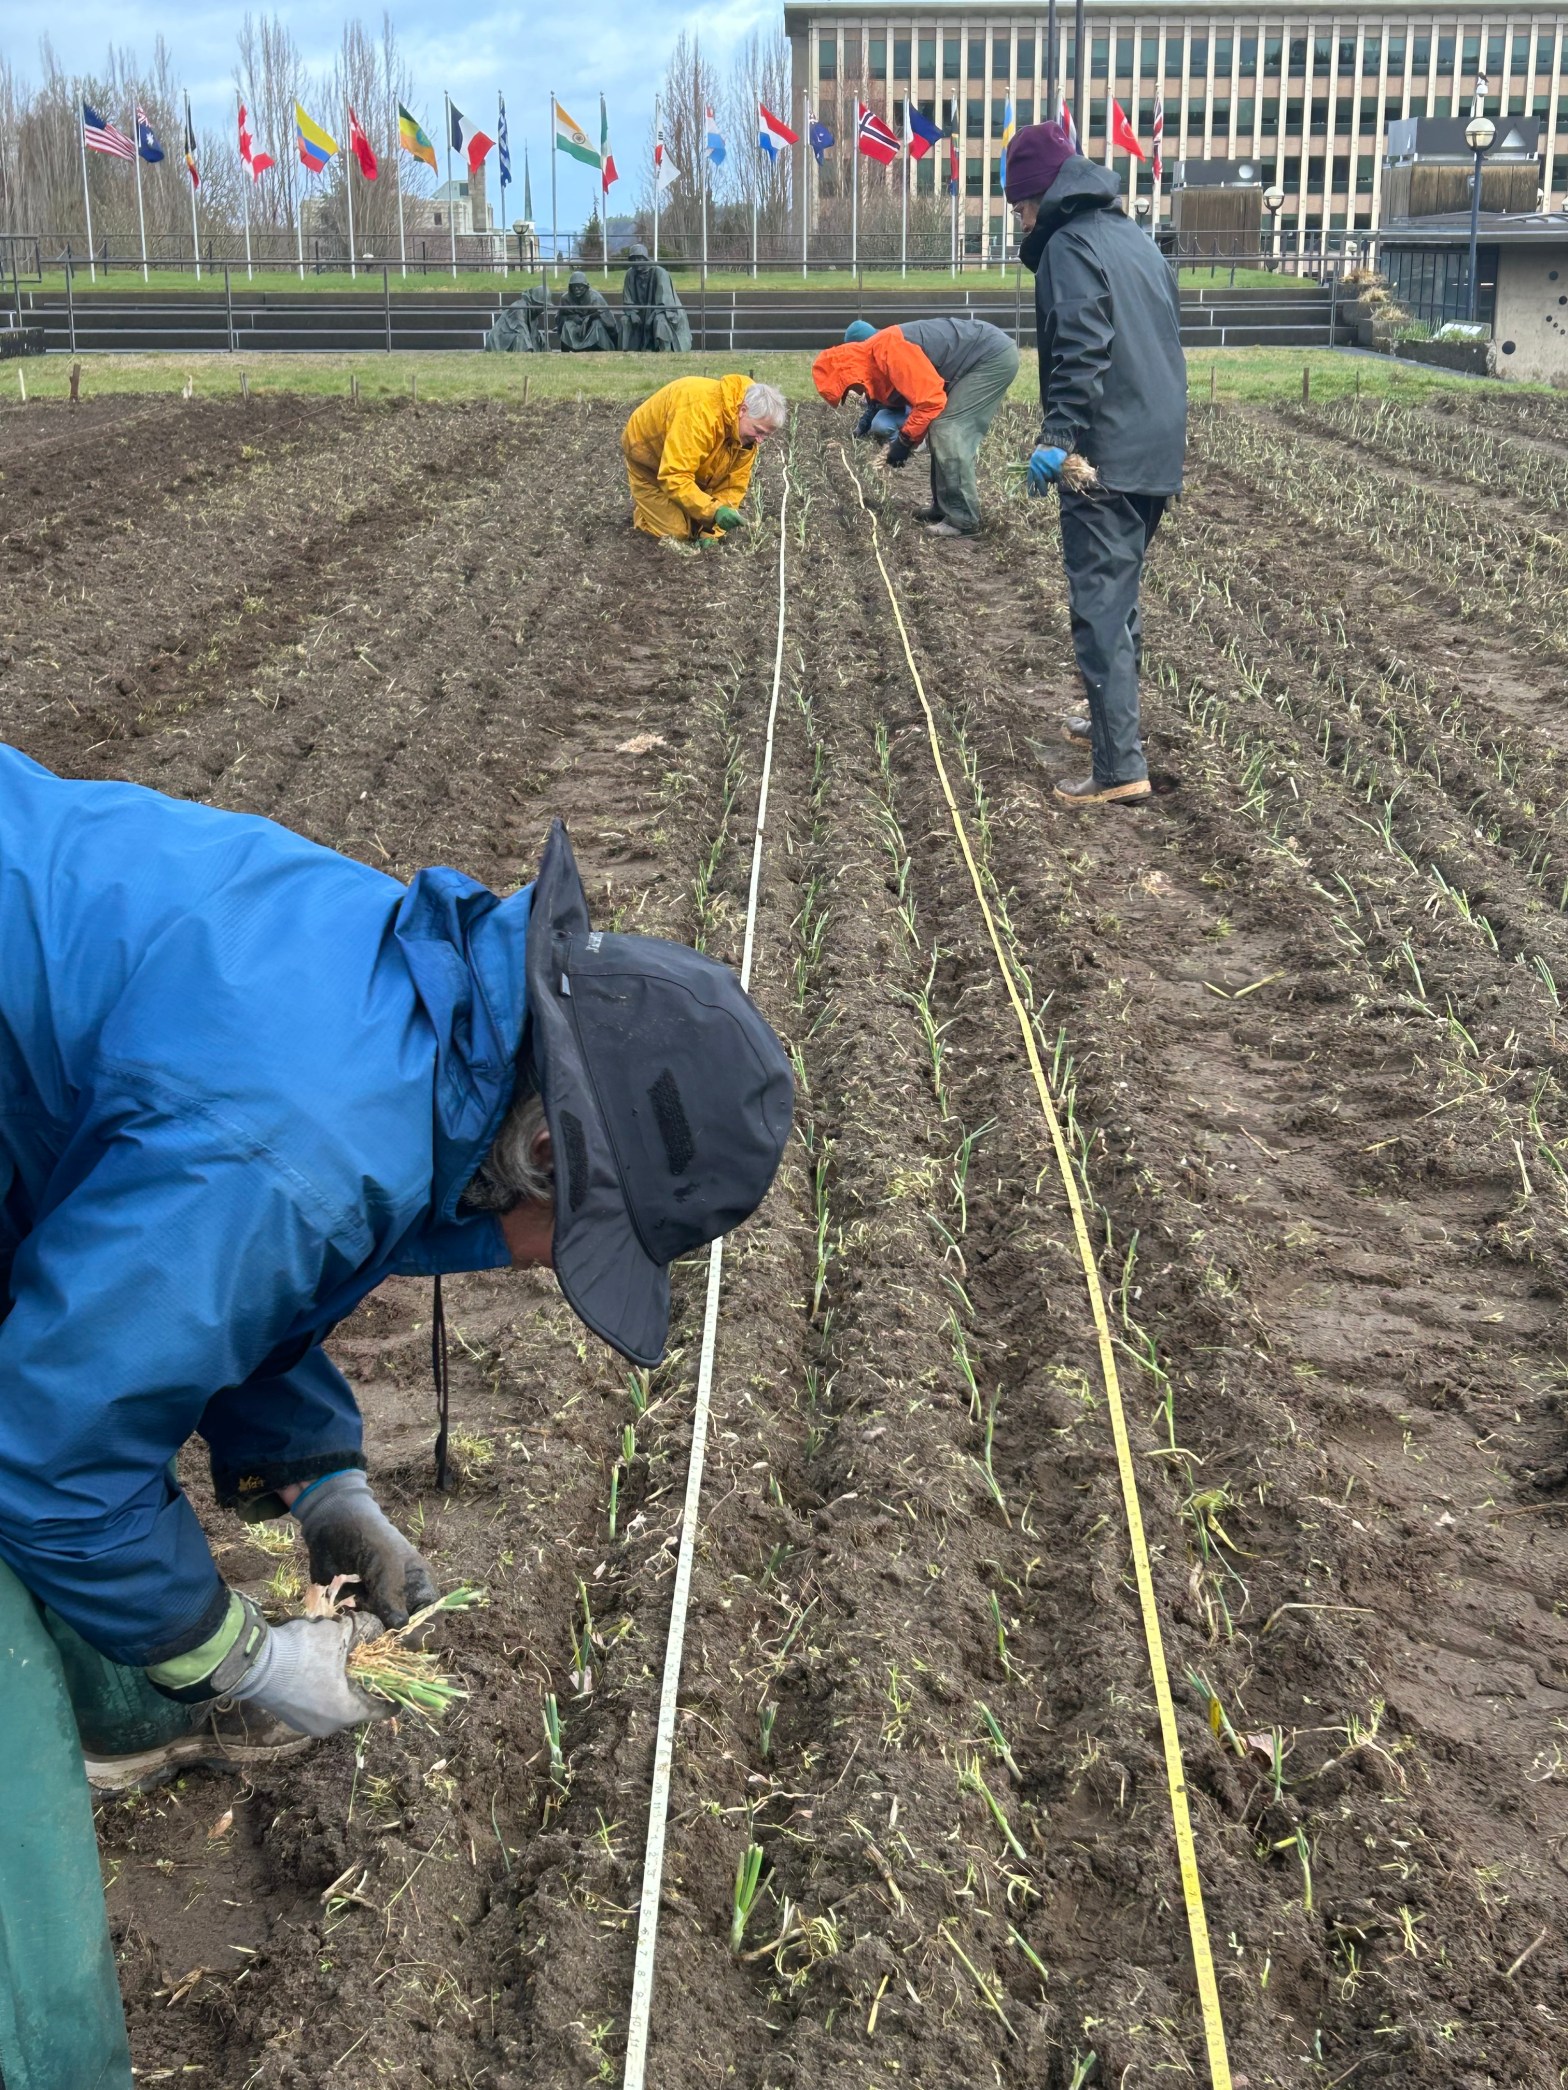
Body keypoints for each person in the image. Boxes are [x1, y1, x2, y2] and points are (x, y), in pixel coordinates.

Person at [0, 746, 792, 2088]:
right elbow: (51, 1449)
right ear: (546, 1147)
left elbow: (224, 1257)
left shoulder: (417, 1023)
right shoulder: (302, 1142)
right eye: (584, 1232)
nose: (553, 1259)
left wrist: (320, 1480)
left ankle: (128, 1704)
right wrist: (243, 1655)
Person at [1005, 121, 1187, 807]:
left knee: (1100, 610)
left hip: (1103, 454)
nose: (1019, 218)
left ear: (1042, 197)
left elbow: (1082, 344)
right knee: (1121, 598)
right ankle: (1107, 725)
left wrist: (1058, 436)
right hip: (1155, 447)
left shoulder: (1069, 246)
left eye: (1020, 204)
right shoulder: (1134, 240)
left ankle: (1118, 767)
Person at [811, 315, 1020, 537]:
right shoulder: (873, 360)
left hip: (988, 357)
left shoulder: (889, 351)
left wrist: (905, 440)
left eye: (848, 389)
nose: (856, 394)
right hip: (976, 358)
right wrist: (906, 441)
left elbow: (930, 402)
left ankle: (963, 518)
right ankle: (943, 507)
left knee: (948, 429)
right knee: (938, 428)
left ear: (848, 374)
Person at [620, 375, 787, 542]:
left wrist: (712, 533)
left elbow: (732, 485)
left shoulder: (747, 437)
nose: (760, 440)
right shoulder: (701, 416)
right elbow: (674, 475)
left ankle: (675, 509)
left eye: (766, 435)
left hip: (686, 462)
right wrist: (714, 511)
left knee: (697, 526)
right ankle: (646, 514)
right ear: (743, 410)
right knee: (677, 533)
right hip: (648, 459)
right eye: (758, 431)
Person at [620, 242, 692, 351]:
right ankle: (625, 352)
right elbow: (627, 300)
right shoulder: (630, 274)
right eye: (633, 259)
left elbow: (665, 303)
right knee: (625, 320)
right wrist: (631, 313)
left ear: (646, 258)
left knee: (660, 321)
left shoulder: (659, 273)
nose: (636, 262)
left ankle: (664, 350)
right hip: (641, 312)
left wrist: (652, 316)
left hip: (664, 312)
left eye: (639, 258)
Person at [556, 270, 620, 353]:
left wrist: (590, 318)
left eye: (580, 286)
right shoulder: (565, 298)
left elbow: (609, 320)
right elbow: (559, 318)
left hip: (592, 326)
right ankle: (568, 351)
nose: (577, 289)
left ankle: (599, 350)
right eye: (574, 286)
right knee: (567, 325)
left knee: (597, 324)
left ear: (586, 287)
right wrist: (571, 317)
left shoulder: (595, 298)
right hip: (575, 327)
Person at [485, 282, 551, 353]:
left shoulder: (532, 313)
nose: (543, 310)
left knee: (540, 337)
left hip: (512, 338)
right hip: (499, 341)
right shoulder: (519, 308)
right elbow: (522, 331)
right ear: (535, 302)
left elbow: (534, 335)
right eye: (542, 306)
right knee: (521, 339)